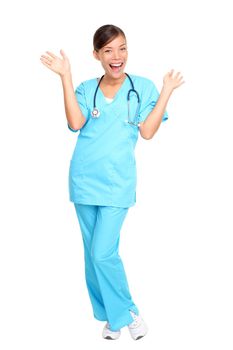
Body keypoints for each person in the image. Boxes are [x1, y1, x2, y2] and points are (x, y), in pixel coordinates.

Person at [40, 24, 185, 341]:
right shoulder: (85, 88)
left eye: (122, 48)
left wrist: (167, 92)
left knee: (103, 252)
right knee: (92, 255)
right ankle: (112, 318)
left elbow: (147, 132)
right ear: (97, 55)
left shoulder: (143, 87)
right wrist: (65, 76)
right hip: (83, 182)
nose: (116, 56)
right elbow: (75, 123)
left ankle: (128, 312)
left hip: (117, 184)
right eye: (108, 50)